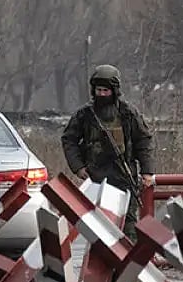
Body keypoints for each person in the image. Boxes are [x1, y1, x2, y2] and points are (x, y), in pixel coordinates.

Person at [60, 64, 156, 243]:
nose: (102, 94)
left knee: (128, 227)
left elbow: (143, 141)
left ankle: (127, 266)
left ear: (115, 90)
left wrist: (147, 171)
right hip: (96, 179)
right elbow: (69, 140)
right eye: (99, 90)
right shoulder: (85, 115)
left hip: (124, 177)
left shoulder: (128, 113)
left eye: (106, 90)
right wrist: (78, 167)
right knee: (99, 229)